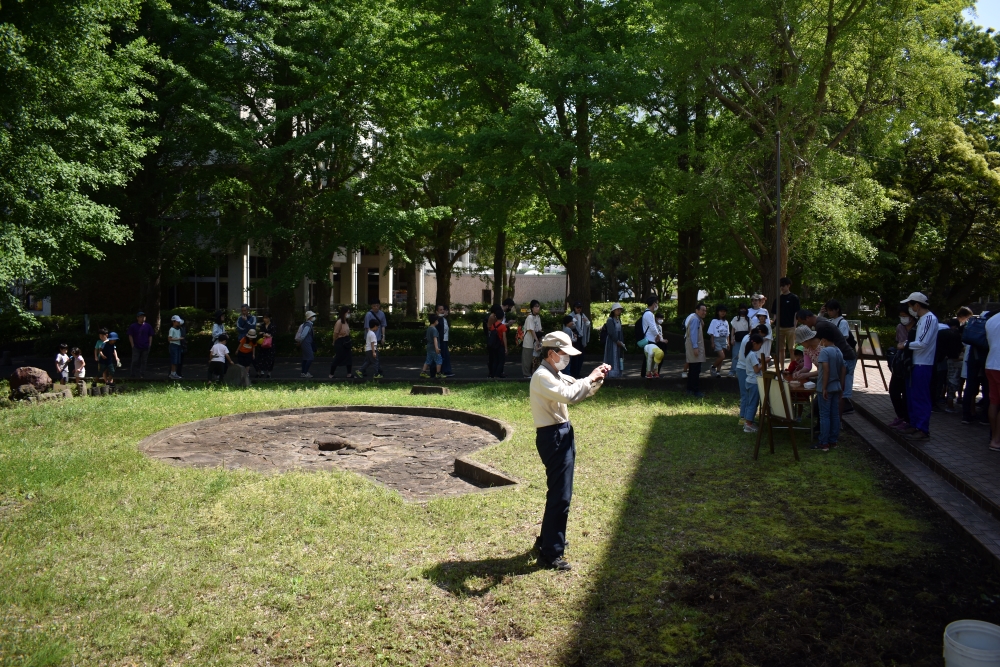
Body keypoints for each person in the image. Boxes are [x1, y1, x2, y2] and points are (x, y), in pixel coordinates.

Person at [529, 331, 610, 570]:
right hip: (553, 436)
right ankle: (551, 553)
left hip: (560, 434)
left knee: (558, 492)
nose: (567, 358)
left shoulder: (554, 374)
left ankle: (548, 541)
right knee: (561, 495)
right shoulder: (543, 376)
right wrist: (591, 377)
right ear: (552, 353)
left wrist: (596, 379)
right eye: (564, 353)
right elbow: (570, 395)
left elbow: (579, 387)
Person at [796, 308, 858, 417]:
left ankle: (838, 418)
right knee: (824, 402)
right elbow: (808, 366)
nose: (805, 325)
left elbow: (826, 369)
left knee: (840, 394)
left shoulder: (823, 345)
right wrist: (801, 371)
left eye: (803, 322)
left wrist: (809, 376)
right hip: (830, 372)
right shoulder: (808, 346)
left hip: (840, 365)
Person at [899, 292, 938, 440]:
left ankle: (922, 428)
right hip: (916, 363)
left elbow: (923, 343)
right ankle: (914, 424)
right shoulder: (922, 319)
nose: (910, 309)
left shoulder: (929, 319)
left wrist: (905, 345)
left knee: (920, 396)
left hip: (923, 363)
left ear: (917, 305)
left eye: (910, 305)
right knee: (912, 396)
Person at [822, 300, 858, 414]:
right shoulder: (831, 321)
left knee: (846, 379)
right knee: (840, 378)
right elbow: (820, 325)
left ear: (837, 309)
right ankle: (843, 405)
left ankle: (846, 405)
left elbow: (843, 337)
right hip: (839, 355)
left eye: (831, 310)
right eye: (828, 310)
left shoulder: (842, 322)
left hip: (846, 355)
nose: (830, 312)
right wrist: (821, 314)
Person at [814, 329, 847, 452]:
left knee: (824, 415)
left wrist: (824, 387)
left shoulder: (825, 352)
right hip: (837, 386)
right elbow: (843, 369)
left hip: (827, 387)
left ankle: (824, 442)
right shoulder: (838, 351)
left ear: (825, 340)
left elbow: (826, 370)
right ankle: (833, 440)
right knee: (834, 414)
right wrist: (841, 386)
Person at [888, 305, 915, 429]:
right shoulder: (900, 327)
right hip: (900, 364)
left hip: (912, 364)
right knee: (894, 391)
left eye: (905, 316)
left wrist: (905, 345)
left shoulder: (917, 329)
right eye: (901, 316)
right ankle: (901, 416)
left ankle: (907, 419)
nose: (903, 319)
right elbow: (899, 344)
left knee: (906, 393)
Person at [938, 318, 964, 413]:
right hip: (950, 365)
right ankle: (949, 405)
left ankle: (943, 400)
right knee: (950, 385)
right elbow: (954, 356)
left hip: (943, 361)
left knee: (945, 383)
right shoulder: (953, 336)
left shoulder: (944, 332)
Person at [742, 333, 766, 432]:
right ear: (755, 344)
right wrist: (765, 362)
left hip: (749, 381)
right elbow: (756, 370)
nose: (760, 347)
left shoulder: (750, 353)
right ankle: (748, 424)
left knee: (749, 403)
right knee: (753, 403)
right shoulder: (752, 354)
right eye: (760, 345)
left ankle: (748, 422)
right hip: (754, 382)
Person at [684, 303, 708, 397]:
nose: (704, 312)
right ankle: (695, 390)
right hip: (694, 346)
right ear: (697, 310)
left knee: (693, 369)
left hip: (693, 346)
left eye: (705, 310)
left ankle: (690, 389)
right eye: (702, 310)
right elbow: (693, 334)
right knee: (695, 370)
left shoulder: (696, 318)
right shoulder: (695, 320)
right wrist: (695, 347)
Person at [986, 309, 1000, 452]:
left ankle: (993, 436)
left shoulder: (992, 319)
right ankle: (996, 439)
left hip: (990, 363)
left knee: (994, 402)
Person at [777, 277, 801, 363]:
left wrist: (795, 325)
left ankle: (793, 367)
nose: (782, 287)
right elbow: (775, 313)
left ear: (788, 286)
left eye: (783, 285)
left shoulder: (794, 298)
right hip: (779, 327)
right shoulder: (778, 298)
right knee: (781, 350)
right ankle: (782, 368)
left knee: (792, 349)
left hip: (791, 327)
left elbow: (796, 312)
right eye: (780, 286)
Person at [127, 311, 154, 378]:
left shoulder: (148, 326)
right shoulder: (133, 326)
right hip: (136, 346)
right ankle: (133, 374)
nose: (143, 318)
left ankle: (142, 374)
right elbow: (130, 335)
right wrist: (132, 345)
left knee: (144, 361)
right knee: (135, 360)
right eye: (141, 317)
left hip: (145, 346)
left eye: (144, 317)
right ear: (137, 318)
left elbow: (150, 335)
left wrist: (149, 344)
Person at [521, 300, 544, 378]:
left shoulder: (537, 317)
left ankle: (532, 373)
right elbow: (531, 330)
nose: (538, 308)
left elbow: (539, 329)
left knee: (534, 358)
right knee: (527, 358)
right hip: (529, 340)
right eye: (536, 306)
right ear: (532, 308)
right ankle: (526, 374)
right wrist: (537, 340)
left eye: (538, 306)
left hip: (535, 340)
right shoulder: (530, 317)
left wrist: (540, 339)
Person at [603, 303, 626, 378]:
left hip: (618, 341)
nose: (619, 311)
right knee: (612, 356)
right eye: (618, 309)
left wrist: (621, 341)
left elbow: (620, 331)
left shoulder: (618, 319)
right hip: (612, 342)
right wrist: (617, 341)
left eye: (620, 309)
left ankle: (618, 373)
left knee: (618, 357)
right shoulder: (610, 320)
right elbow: (611, 332)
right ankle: (611, 373)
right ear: (614, 311)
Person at [486, 304, 509, 378]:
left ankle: (493, 374)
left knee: (495, 360)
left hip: (494, 345)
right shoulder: (503, 326)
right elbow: (504, 338)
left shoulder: (493, 325)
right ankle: (497, 374)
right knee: (501, 361)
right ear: (502, 317)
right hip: (500, 345)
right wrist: (506, 348)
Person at [330, 306, 353, 378]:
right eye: (348, 312)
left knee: (349, 357)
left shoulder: (346, 322)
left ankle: (349, 373)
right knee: (338, 357)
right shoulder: (339, 322)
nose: (349, 314)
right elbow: (336, 333)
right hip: (340, 341)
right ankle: (331, 374)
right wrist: (334, 341)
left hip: (346, 340)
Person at [707, 305, 730, 377]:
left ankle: (718, 371)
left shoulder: (726, 322)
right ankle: (713, 367)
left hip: (724, 339)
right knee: (722, 356)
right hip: (717, 339)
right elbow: (712, 333)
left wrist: (728, 342)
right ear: (718, 312)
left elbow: (728, 333)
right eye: (721, 311)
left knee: (721, 357)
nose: (723, 313)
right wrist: (712, 342)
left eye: (724, 312)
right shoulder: (714, 321)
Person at [729, 304, 751, 377]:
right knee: (735, 355)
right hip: (737, 339)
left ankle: (744, 371)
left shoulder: (748, 319)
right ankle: (732, 371)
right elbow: (733, 329)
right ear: (739, 310)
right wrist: (732, 338)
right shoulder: (735, 318)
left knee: (746, 355)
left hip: (746, 340)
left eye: (744, 309)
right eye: (741, 309)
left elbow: (750, 330)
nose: (743, 311)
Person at [570, 302, 591, 378]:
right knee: (575, 357)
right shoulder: (571, 315)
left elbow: (588, 325)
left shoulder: (583, 315)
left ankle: (577, 373)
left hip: (581, 338)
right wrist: (574, 321)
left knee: (581, 357)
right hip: (575, 339)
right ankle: (573, 373)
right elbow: (570, 326)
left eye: (580, 307)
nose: (579, 309)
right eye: (577, 307)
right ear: (574, 308)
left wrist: (587, 322)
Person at [640, 296, 659, 378]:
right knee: (649, 358)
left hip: (649, 338)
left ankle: (646, 374)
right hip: (650, 339)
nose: (657, 305)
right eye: (656, 303)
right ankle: (645, 374)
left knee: (648, 358)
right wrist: (658, 335)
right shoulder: (649, 314)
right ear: (654, 304)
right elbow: (652, 327)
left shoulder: (647, 313)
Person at [420, 313, 443, 379]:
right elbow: (435, 339)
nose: (438, 322)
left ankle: (423, 372)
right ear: (435, 321)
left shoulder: (429, 328)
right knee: (439, 360)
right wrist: (436, 348)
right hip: (434, 347)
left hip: (429, 347)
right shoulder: (434, 330)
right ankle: (438, 373)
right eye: (437, 320)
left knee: (428, 360)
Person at [435, 304, 454, 378]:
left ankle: (445, 370)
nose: (443, 311)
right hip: (441, 340)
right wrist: (442, 316)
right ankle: (443, 371)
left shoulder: (444, 319)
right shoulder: (437, 319)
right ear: (437, 312)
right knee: (443, 356)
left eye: (443, 309)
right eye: (440, 310)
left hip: (445, 339)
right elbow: (437, 322)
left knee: (446, 355)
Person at [256, 313, 276, 379]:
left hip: (270, 344)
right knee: (261, 358)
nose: (265, 319)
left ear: (269, 318)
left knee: (270, 358)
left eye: (266, 318)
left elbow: (271, 335)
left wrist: (264, 333)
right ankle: (260, 372)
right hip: (263, 344)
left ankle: (269, 373)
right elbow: (260, 333)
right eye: (264, 318)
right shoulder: (262, 325)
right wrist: (265, 334)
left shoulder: (272, 326)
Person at [297, 310, 317, 378]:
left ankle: (303, 372)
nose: (314, 317)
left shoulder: (306, 324)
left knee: (305, 358)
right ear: (309, 317)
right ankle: (305, 372)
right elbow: (303, 335)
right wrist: (300, 341)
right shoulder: (308, 325)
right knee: (310, 357)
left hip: (305, 342)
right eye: (313, 316)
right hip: (306, 343)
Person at [168, 315, 184, 380]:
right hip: (173, 345)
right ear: (173, 322)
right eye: (177, 322)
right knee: (174, 360)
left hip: (178, 345)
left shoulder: (179, 329)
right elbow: (169, 339)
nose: (178, 323)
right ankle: (172, 373)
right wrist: (178, 339)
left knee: (177, 360)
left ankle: (174, 373)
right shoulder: (171, 329)